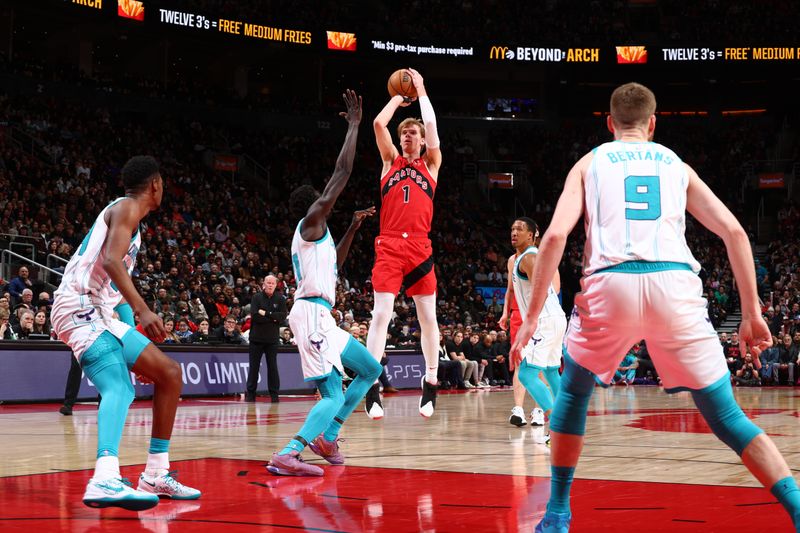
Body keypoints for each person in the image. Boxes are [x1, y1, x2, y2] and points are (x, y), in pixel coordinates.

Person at [511, 83, 799, 532]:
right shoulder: (676, 164)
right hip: (674, 284)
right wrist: (751, 312)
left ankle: (557, 513)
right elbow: (736, 233)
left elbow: (552, 237)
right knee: (726, 417)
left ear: (609, 124)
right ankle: (798, 508)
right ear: (653, 123)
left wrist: (531, 319)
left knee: (572, 396)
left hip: (611, 284)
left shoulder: (589, 162)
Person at [50, 155, 200, 510]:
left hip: (101, 311)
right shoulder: (128, 208)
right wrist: (144, 310)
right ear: (155, 185)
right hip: (77, 305)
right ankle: (104, 478)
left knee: (168, 373)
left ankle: (155, 473)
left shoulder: (133, 221)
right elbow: (111, 263)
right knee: (119, 386)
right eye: (163, 182)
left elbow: (114, 291)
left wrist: (133, 343)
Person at [267, 90, 382, 477]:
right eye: (324, 201)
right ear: (315, 205)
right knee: (331, 393)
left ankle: (328, 435)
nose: (328, 203)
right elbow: (342, 174)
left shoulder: (320, 238)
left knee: (369, 370)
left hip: (323, 316)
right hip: (312, 315)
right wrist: (353, 126)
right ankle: (289, 452)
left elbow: (336, 266)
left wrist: (351, 227)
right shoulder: (311, 222)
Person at [365, 68, 442, 419]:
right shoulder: (388, 162)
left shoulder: (432, 164)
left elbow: (433, 127)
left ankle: (431, 381)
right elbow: (379, 125)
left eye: (414, 132)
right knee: (381, 314)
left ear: (423, 140)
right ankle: (371, 384)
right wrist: (399, 96)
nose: (408, 136)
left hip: (420, 248)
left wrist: (422, 91)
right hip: (391, 245)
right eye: (405, 133)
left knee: (428, 318)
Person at [508, 217, 565, 444]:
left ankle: (558, 425)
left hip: (544, 319)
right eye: (512, 229)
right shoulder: (525, 257)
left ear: (532, 235)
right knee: (551, 372)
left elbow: (540, 293)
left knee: (526, 374)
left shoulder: (529, 257)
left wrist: (529, 325)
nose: (514, 232)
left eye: (520, 229)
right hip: (555, 318)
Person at [247, 275, 287, 402]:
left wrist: (267, 314)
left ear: (276, 285)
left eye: (272, 283)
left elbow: (282, 317)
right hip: (256, 339)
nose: (270, 285)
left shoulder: (280, 299)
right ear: (263, 284)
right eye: (268, 283)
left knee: (272, 367)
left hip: (272, 340)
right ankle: (251, 394)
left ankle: (274, 395)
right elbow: (255, 316)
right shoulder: (256, 297)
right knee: (254, 367)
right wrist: (273, 319)